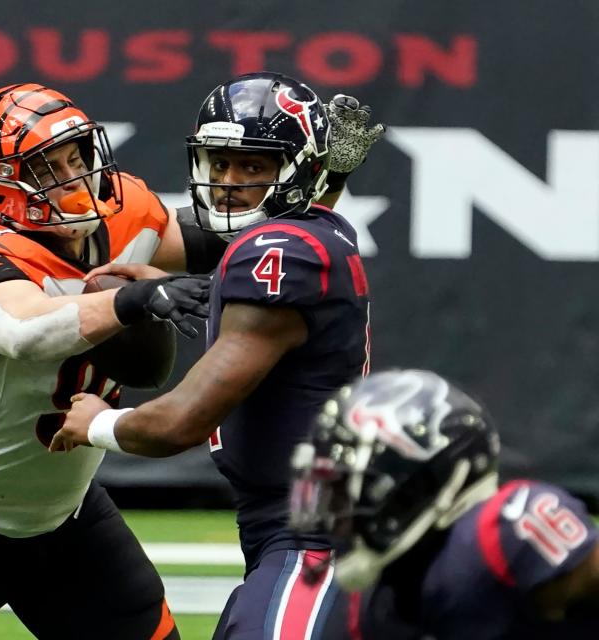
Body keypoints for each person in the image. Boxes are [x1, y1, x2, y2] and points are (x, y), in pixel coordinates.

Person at [0, 82, 218, 640]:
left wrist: (320, 192)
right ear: (1, 184)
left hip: (67, 516)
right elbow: (21, 329)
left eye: (76, 155)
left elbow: (230, 238)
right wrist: (131, 300)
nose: (75, 175)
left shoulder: (124, 219)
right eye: (48, 167)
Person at [49, 71, 382, 639]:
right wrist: (334, 173)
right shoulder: (313, 232)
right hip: (289, 529)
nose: (229, 182)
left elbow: (180, 423)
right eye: (220, 163)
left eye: (253, 166)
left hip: (311, 538)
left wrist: (97, 423)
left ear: (296, 170)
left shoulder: (279, 251)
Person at [287, 369, 599, 639]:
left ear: (413, 488)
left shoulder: (505, 532)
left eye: (345, 493)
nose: (335, 516)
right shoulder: (376, 606)